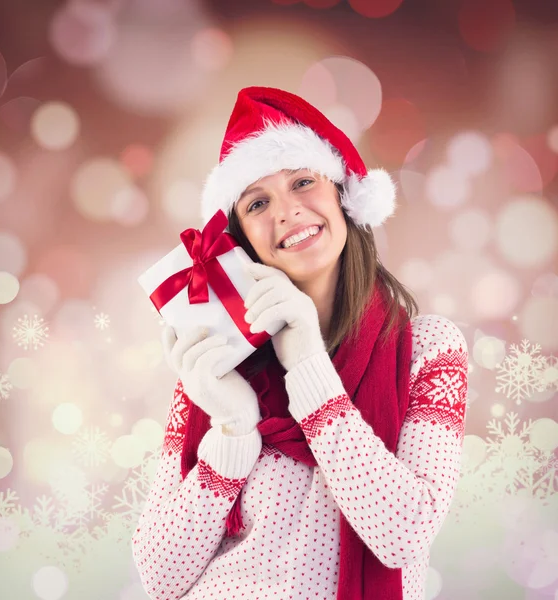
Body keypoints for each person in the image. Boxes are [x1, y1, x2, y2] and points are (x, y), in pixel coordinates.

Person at [131, 86, 469, 600]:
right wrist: (234, 429)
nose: (287, 212)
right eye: (258, 202)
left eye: (303, 182)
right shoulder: (219, 364)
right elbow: (160, 576)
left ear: (342, 195)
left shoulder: (429, 351)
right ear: (242, 237)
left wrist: (309, 367)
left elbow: (402, 535)